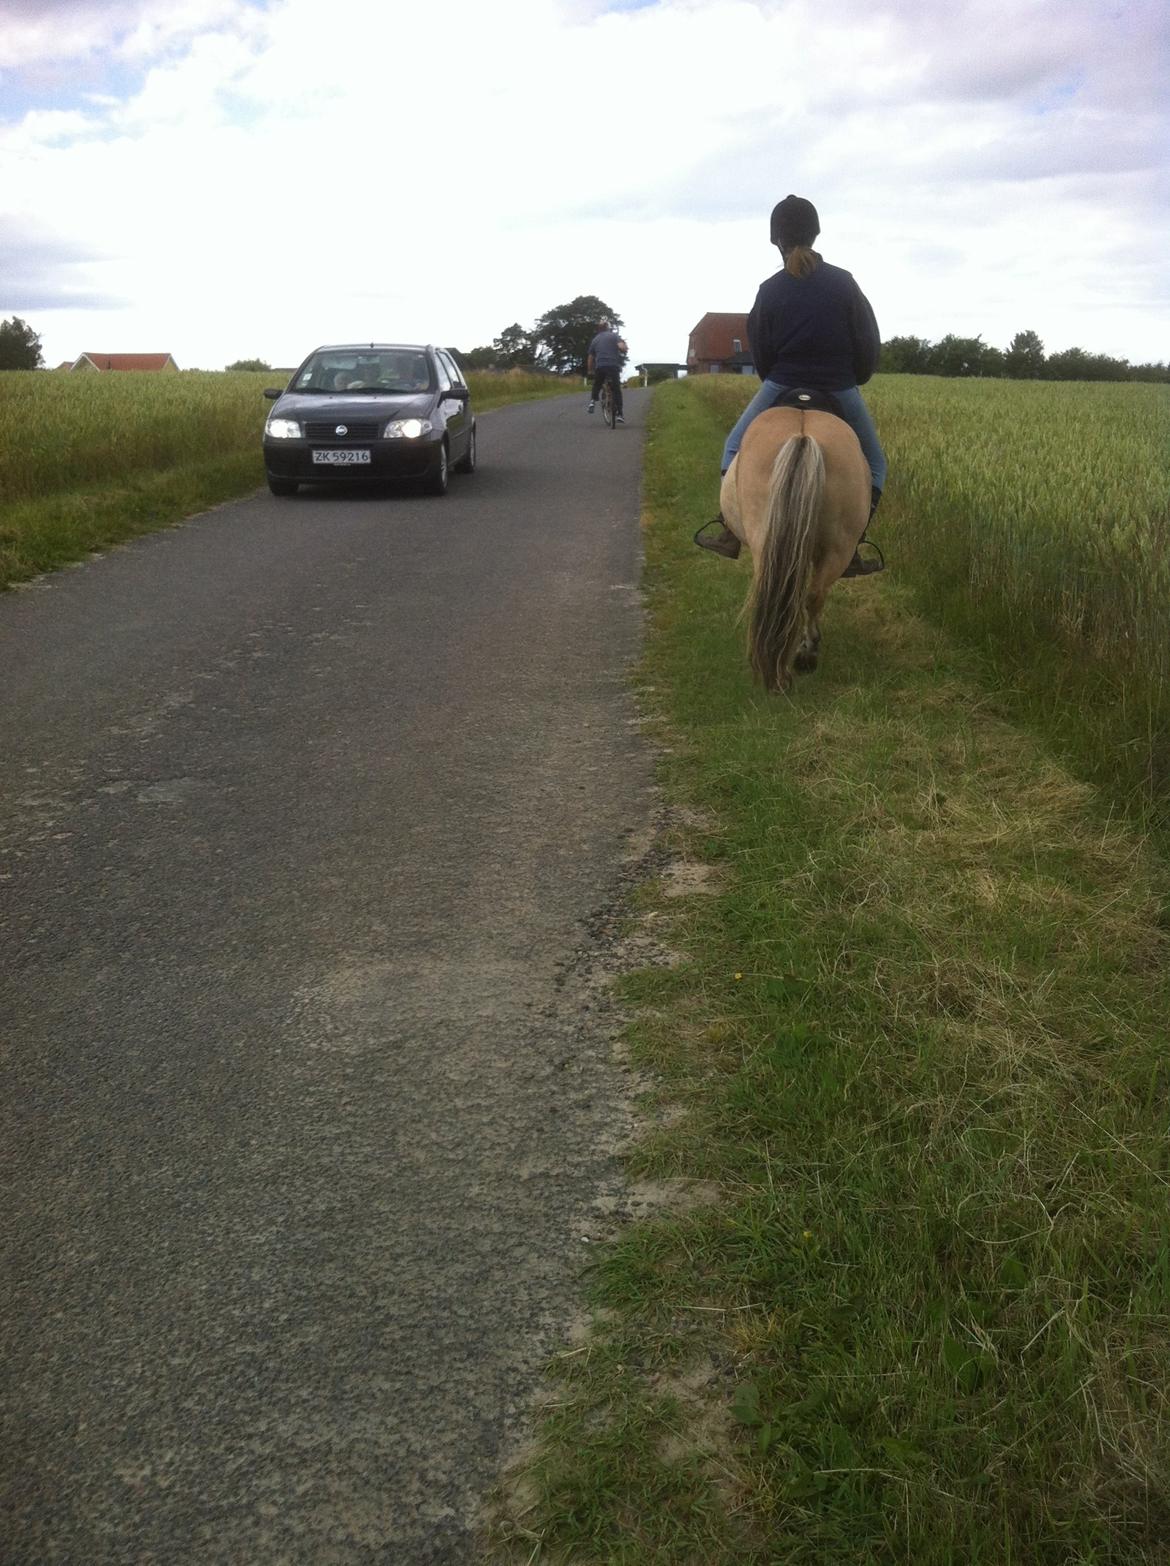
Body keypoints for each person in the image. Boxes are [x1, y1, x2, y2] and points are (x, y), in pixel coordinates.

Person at [696, 195, 887, 577]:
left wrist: (778, 376)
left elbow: (761, 353)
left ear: (776, 240)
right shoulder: (844, 283)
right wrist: (854, 377)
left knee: (733, 448)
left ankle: (731, 529)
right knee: (876, 465)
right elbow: (868, 343)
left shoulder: (769, 290)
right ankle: (849, 546)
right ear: (815, 234)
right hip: (839, 388)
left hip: (781, 383)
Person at [586, 320, 628, 424]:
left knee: (597, 384)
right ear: (608, 327)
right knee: (616, 389)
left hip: (600, 367)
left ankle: (592, 401)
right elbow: (622, 347)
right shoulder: (614, 336)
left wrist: (590, 370)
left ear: (599, 329)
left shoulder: (595, 340)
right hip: (613, 366)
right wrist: (624, 349)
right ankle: (620, 414)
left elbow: (590, 358)